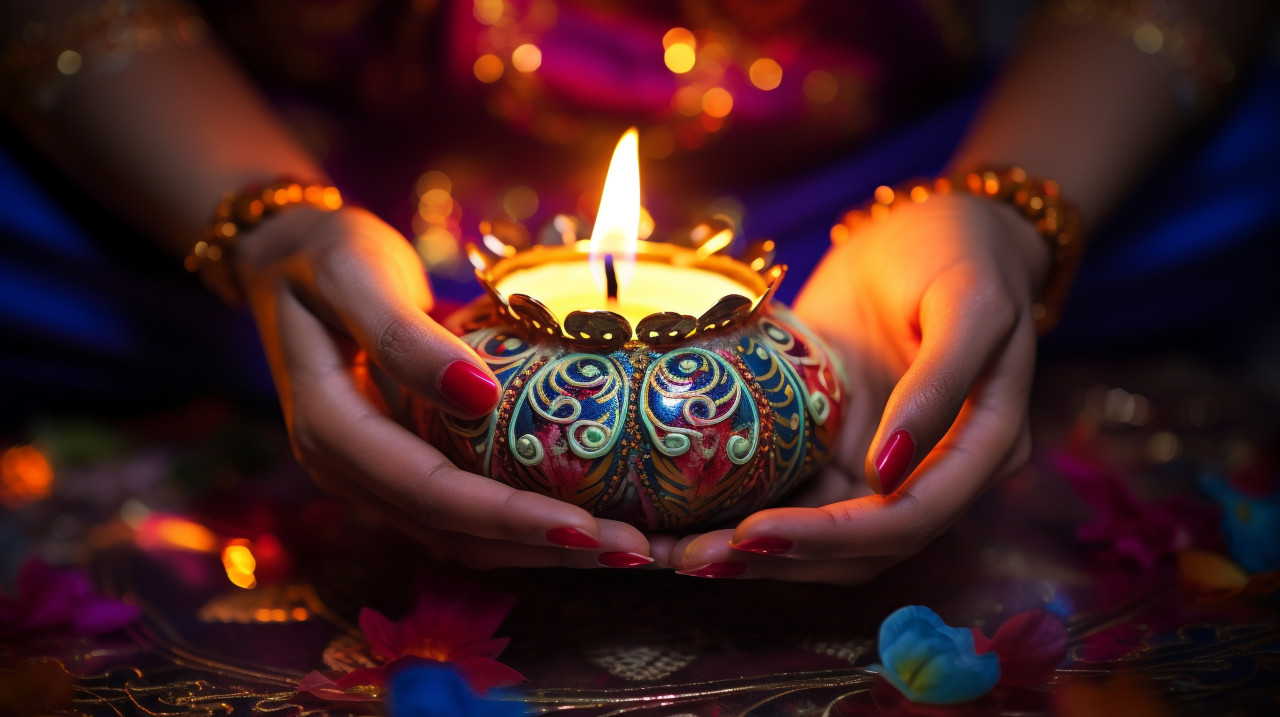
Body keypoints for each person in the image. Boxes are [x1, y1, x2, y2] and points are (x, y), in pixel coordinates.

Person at [1, 0, 1275, 584]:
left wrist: (1005, 209)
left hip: (864, 204)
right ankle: (299, 315)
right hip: (306, 183)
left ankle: (966, 288)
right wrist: (262, 226)